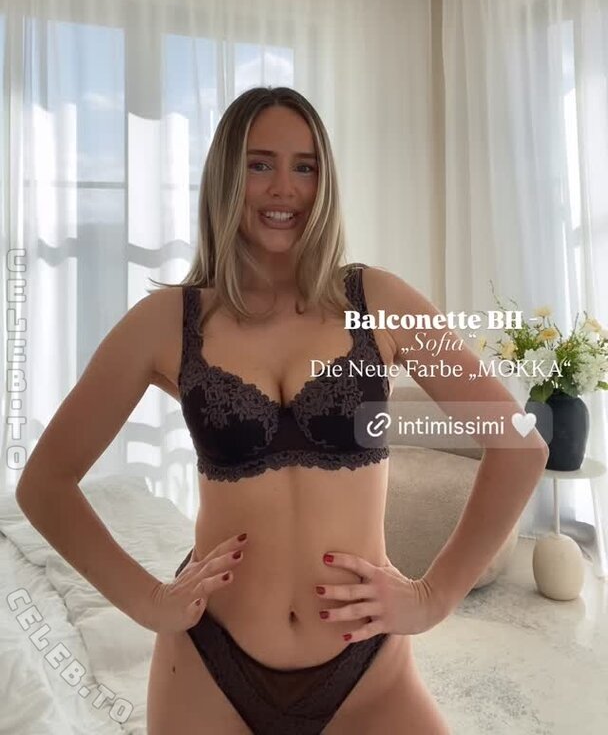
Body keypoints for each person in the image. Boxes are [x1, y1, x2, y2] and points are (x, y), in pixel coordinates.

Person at [16, 86, 549, 735]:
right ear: (226, 176)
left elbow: (519, 443)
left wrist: (434, 597)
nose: (284, 189)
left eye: (305, 166)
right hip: (208, 663)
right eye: (260, 164)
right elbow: (45, 483)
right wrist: (148, 600)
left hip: (366, 670)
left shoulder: (379, 301)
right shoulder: (166, 322)